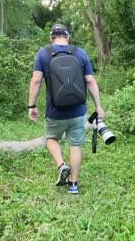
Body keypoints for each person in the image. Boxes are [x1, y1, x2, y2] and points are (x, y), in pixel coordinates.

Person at [28, 24, 105, 194]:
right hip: (78, 112)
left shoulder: (44, 53)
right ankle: (73, 185)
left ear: (51, 38)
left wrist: (32, 106)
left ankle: (61, 165)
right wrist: (98, 107)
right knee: (75, 145)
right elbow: (91, 81)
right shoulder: (80, 53)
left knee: (51, 138)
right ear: (67, 37)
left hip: (54, 112)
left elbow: (36, 81)